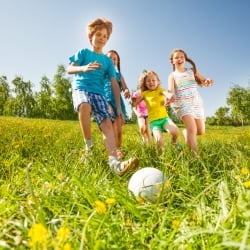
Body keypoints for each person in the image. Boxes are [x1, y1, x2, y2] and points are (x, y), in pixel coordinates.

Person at [67, 18, 139, 176]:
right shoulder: (83, 53)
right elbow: (69, 69)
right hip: (81, 88)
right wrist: (83, 68)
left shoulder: (107, 61)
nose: (102, 38)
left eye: (105, 36)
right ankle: (89, 146)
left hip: (99, 93)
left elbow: (114, 84)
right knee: (84, 106)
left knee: (107, 123)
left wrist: (119, 108)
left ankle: (114, 163)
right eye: (98, 34)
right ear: (90, 37)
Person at [168, 48, 214, 156]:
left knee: (200, 131)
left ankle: (186, 133)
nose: (179, 59)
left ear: (185, 59)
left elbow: (203, 81)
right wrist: (170, 96)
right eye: (176, 57)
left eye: (182, 57)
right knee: (192, 129)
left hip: (196, 102)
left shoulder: (192, 71)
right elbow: (170, 90)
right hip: (182, 102)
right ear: (172, 61)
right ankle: (195, 158)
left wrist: (208, 81)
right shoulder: (173, 75)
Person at [132, 70, 180, 151]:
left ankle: (174, 142)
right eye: (148, 81)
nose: (151, 82)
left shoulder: (160, 90)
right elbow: (134, 104)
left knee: (175, 131)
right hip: (154, 122)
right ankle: (162, 158)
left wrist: (169, 95)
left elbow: (166, 93)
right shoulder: (144, 94)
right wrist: (133, 100)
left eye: (153, 80)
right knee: (159, 142)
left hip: (164, 118)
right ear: (145, 83)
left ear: (158, 82)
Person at [104, 50, 130, 158]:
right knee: (113, 126)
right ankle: (113, 152)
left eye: (114, 59)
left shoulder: (119, 75)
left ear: (117, 62)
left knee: (119, 130)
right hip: (106, 100)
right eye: (109, 58)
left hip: (118, 102)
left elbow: (124, 87)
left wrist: (126, 91)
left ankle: (118, 149)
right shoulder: (102, 73)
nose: (112, 60)